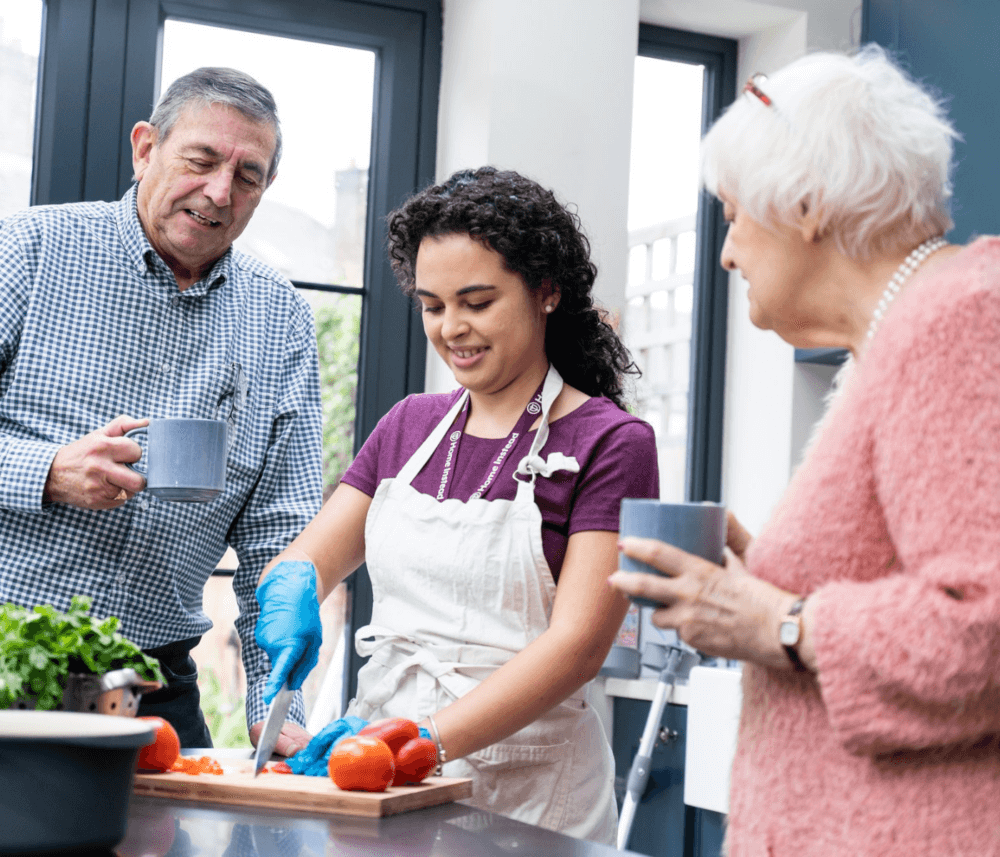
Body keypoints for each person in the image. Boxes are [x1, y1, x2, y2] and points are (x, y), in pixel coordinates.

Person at [608, 45, 1000, 856]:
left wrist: (778, 622)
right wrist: (761, 591)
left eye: (733, 214)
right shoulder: (902, 335)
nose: (727, 252)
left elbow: (985, 627)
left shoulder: (961, 319)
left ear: (809, 204)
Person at [254, 166, 659, 842]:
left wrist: (422, 740)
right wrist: (292, 585)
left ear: (547, 292)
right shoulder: (409, 425)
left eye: (477, 301)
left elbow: (577, 645)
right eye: (433, 305)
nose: (452, 329)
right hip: (378, 771)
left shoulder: (611, 442)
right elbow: (310, 556)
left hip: (529, 795)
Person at [0, 67, 323, 750]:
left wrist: (278, 704)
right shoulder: (26, 250)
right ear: (145, 148)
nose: (219, 192)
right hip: (9, 658)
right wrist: (46, 470)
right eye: (201, 161)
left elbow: (280, 537)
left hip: (153, 686)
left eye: (248, 176)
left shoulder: (283, 319)